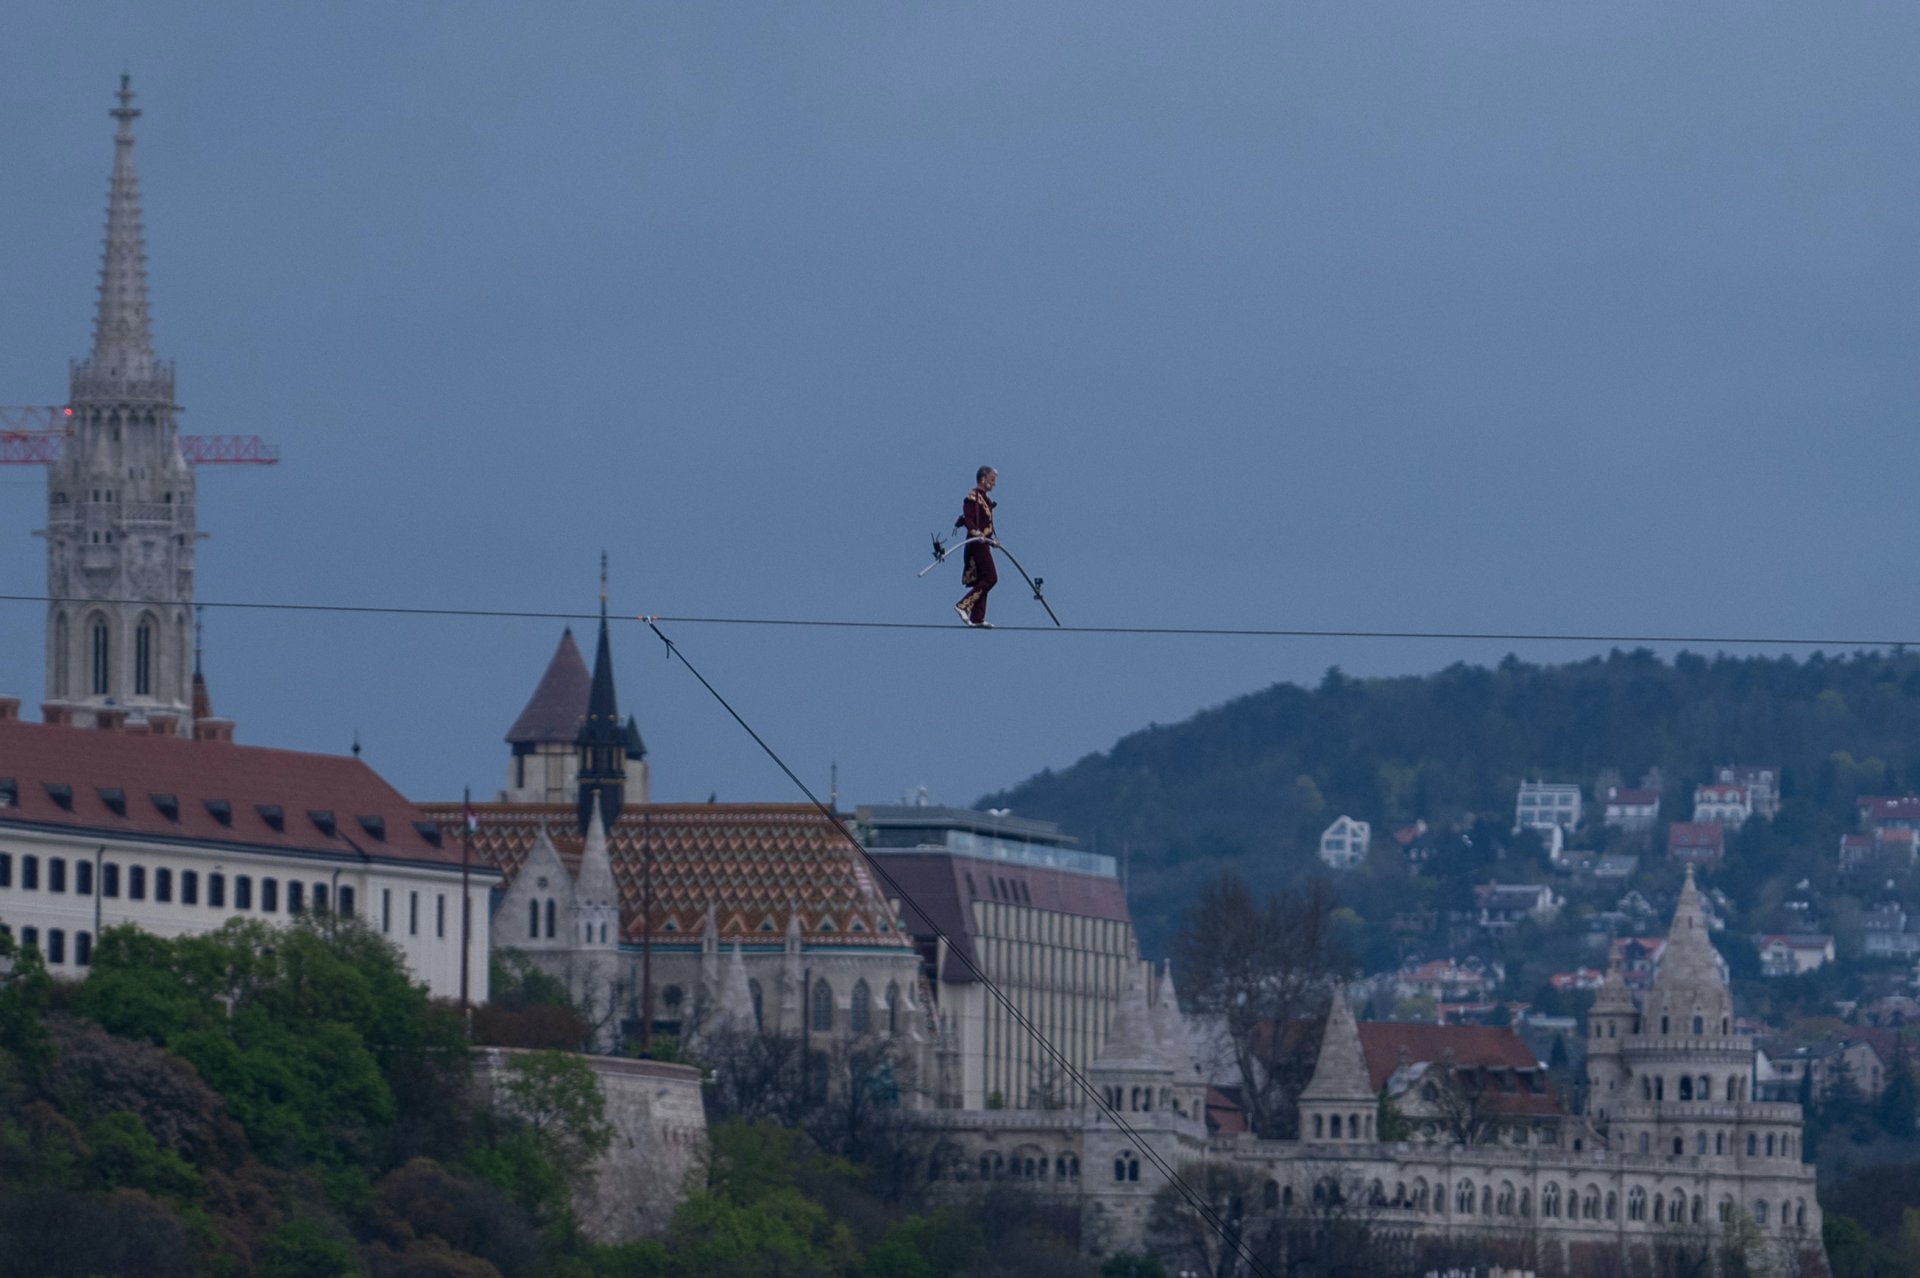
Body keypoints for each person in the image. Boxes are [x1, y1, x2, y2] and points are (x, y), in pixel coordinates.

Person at [954, 465, 998, 626]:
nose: (994, 484)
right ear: (983, 479)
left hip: (983, 543)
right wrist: (975, 532)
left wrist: (993, 540)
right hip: (976, 543)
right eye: (992, 480)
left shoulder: (986, 500)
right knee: (992, 577)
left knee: (984, 578)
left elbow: (988, 525)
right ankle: (963, 605)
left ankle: (977, 617)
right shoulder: (972, 497)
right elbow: (968, 518)